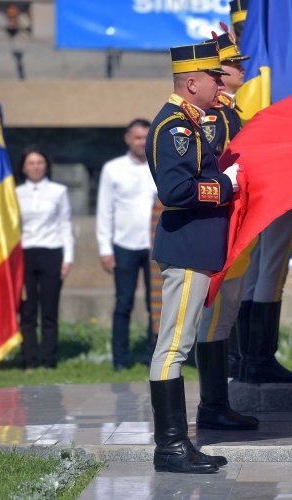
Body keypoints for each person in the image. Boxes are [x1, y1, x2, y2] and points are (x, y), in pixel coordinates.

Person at [146, 38, 240, 474]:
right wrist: (226, 185)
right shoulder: (176, 128)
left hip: (196, 247)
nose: (219, 83)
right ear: (190, 83)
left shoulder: (192, 122)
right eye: (213, 77)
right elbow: (176, 191)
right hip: (186, 247)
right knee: (174, 348)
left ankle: (177, 444)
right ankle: (170, 447)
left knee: (179, 344)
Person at [193, 25, 260, 432]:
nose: (238, 70)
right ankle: (212, 406)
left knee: (226, 314)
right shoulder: (217, 117)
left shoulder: (230, 111)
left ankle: (218, 403)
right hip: (224, 226)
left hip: (239, 225)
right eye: (232, 65)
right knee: (216, 317)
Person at [96, 118, 158, 371]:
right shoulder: (113, 169)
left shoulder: (159, 166)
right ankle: (120, 359)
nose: (141, 142)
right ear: (127, 139)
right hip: (124, 244)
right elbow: (104, 210)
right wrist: (105, 249)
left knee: (154, 304)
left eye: (145, 137)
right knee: (124, 302)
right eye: (137, 137)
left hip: (155, 245)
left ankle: (153, 356)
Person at [15, 147, 74, 369]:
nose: (35, 167)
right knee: (28, 310)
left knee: (49, 309)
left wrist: (68, 258)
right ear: (23, 167)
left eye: (39, 162)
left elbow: (65, 223)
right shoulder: (16, 193)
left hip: (52, 251)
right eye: (31, 163)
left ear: (46, 165)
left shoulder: (58, 191)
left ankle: (49, 359)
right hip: (26, 253)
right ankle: (29, 359)